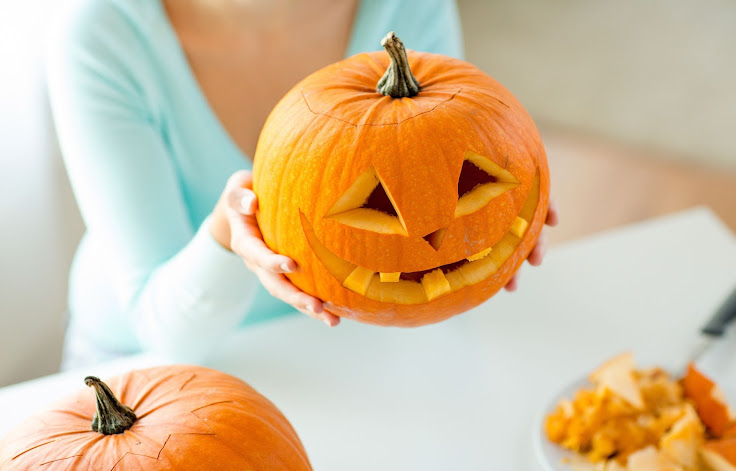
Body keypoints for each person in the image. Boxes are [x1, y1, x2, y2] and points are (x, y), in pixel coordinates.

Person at [47, 0, 559, 369]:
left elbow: (447, 155)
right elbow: (168, 335)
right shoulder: (99, 33)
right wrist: (231, 235)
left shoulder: (409, 7)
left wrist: (501, 201)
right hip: (150, 357)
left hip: (359, 338)